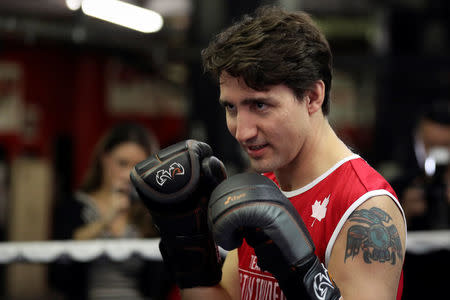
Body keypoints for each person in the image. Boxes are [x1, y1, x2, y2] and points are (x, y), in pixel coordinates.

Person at [130, 5, 406, 300]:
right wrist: (191, 257)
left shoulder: (366, 208)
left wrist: (303, 278)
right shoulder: (260, 189)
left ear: (312, 97)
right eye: (231, 107)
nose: (242, 131)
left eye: (259, 105)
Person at [49, 122, 172, 300]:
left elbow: (163, 278)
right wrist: (107, 219)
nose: (128, 174)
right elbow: (62, 260)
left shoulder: (151, 213)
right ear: (104, 159)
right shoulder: (75, 206)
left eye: (138, 167)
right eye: (122, 163)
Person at [392, 100, 450, 230]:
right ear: (418, 140)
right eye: (432, 145)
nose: (439, 154)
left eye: (446, 145)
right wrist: (403, 214)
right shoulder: (397, 185)